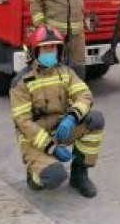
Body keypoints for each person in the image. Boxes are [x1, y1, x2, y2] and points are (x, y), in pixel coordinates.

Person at [10, 25, 105, 198]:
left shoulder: (66, 73)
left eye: (53, 47)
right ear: (34, 50)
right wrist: (52, 147)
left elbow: (85, 95)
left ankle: (79, 175)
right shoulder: (21, 82)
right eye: (45, 48)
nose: (50, 52)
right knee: (54, 177)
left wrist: (71, 116)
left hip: (62, 128)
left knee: (95, 120)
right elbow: (23, 123)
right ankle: (34, 174)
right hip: (36, 138)